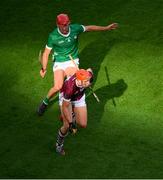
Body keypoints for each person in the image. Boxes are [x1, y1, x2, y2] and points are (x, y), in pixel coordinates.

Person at [37, 13, 118, 115]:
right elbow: (46, 53)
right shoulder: (53, 36)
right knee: (58, 86)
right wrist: (44, 69)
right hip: (59, 62)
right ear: (58, 25)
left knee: (78, 84)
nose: (66, 27)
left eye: (67, 24)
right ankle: (45, 102)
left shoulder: (75, 28)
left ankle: (72, 106)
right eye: (63, 25)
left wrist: (106, 28)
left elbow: (90, 28)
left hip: (72, 61)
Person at [56, 68, 93, 155]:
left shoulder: (85, 76)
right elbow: (65, 106)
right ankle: (59, 144)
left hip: (78, 97)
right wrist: (71, 123)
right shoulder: (70, 88)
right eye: (86, 81)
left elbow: (90, 70)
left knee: (83, 124)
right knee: (66, 126)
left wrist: (89, 80)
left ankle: (70, 114)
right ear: (80, 81)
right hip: (65, 99)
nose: (89, 83)